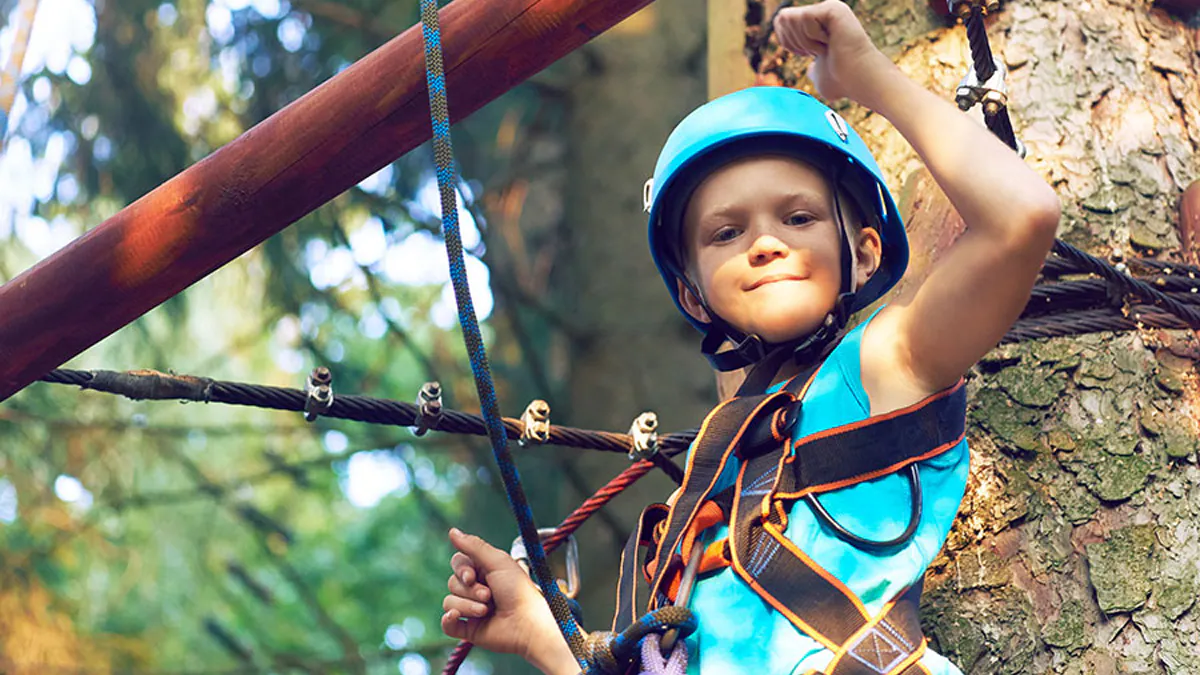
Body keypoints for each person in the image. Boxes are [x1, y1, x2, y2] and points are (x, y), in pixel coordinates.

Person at [439, 1, 1061, 674]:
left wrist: (866, 75)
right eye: (726, 232)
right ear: (692, 294)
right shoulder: (701, 496)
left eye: (798, 217)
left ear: (866, 252)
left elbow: (1022, 219)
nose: (764, 243)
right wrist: (539, 633)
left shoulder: (882, 366)